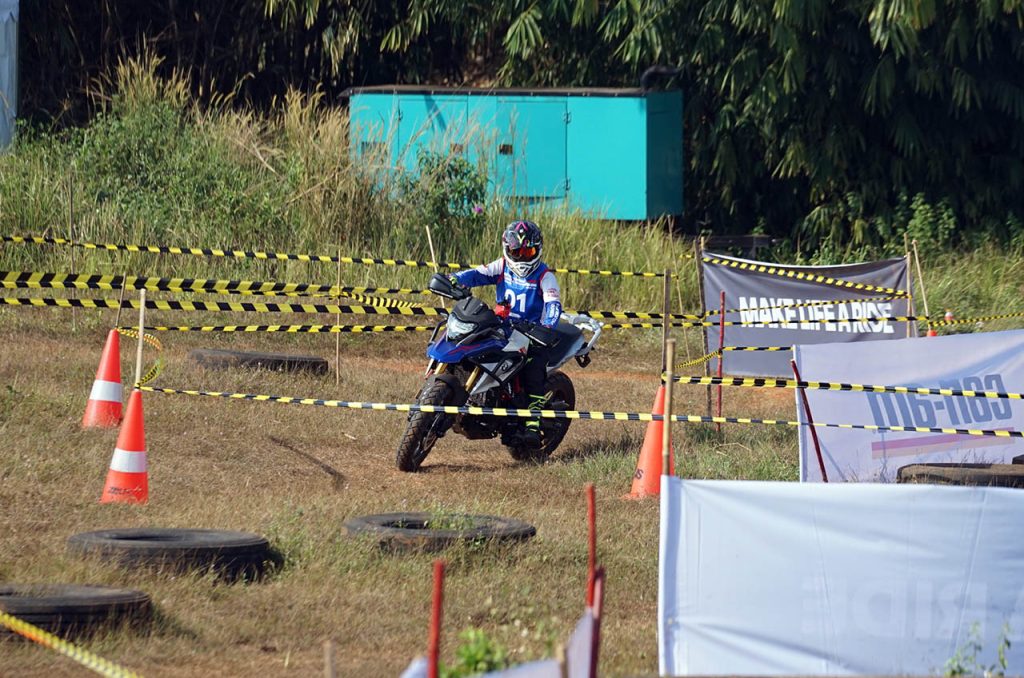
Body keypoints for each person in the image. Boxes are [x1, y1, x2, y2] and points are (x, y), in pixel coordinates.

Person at [451, 220, 562, 447]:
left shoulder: (545, 276)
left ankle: (533, 423)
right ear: (507, 249)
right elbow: (476, 274)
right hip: (501, 327)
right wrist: (456, 279)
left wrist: (547, 326)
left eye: (527, 251)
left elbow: (553, 305)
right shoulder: (501, 266)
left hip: (532, 334)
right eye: (516, 251)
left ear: (538, 250)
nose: (521, 257)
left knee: (534, 369)